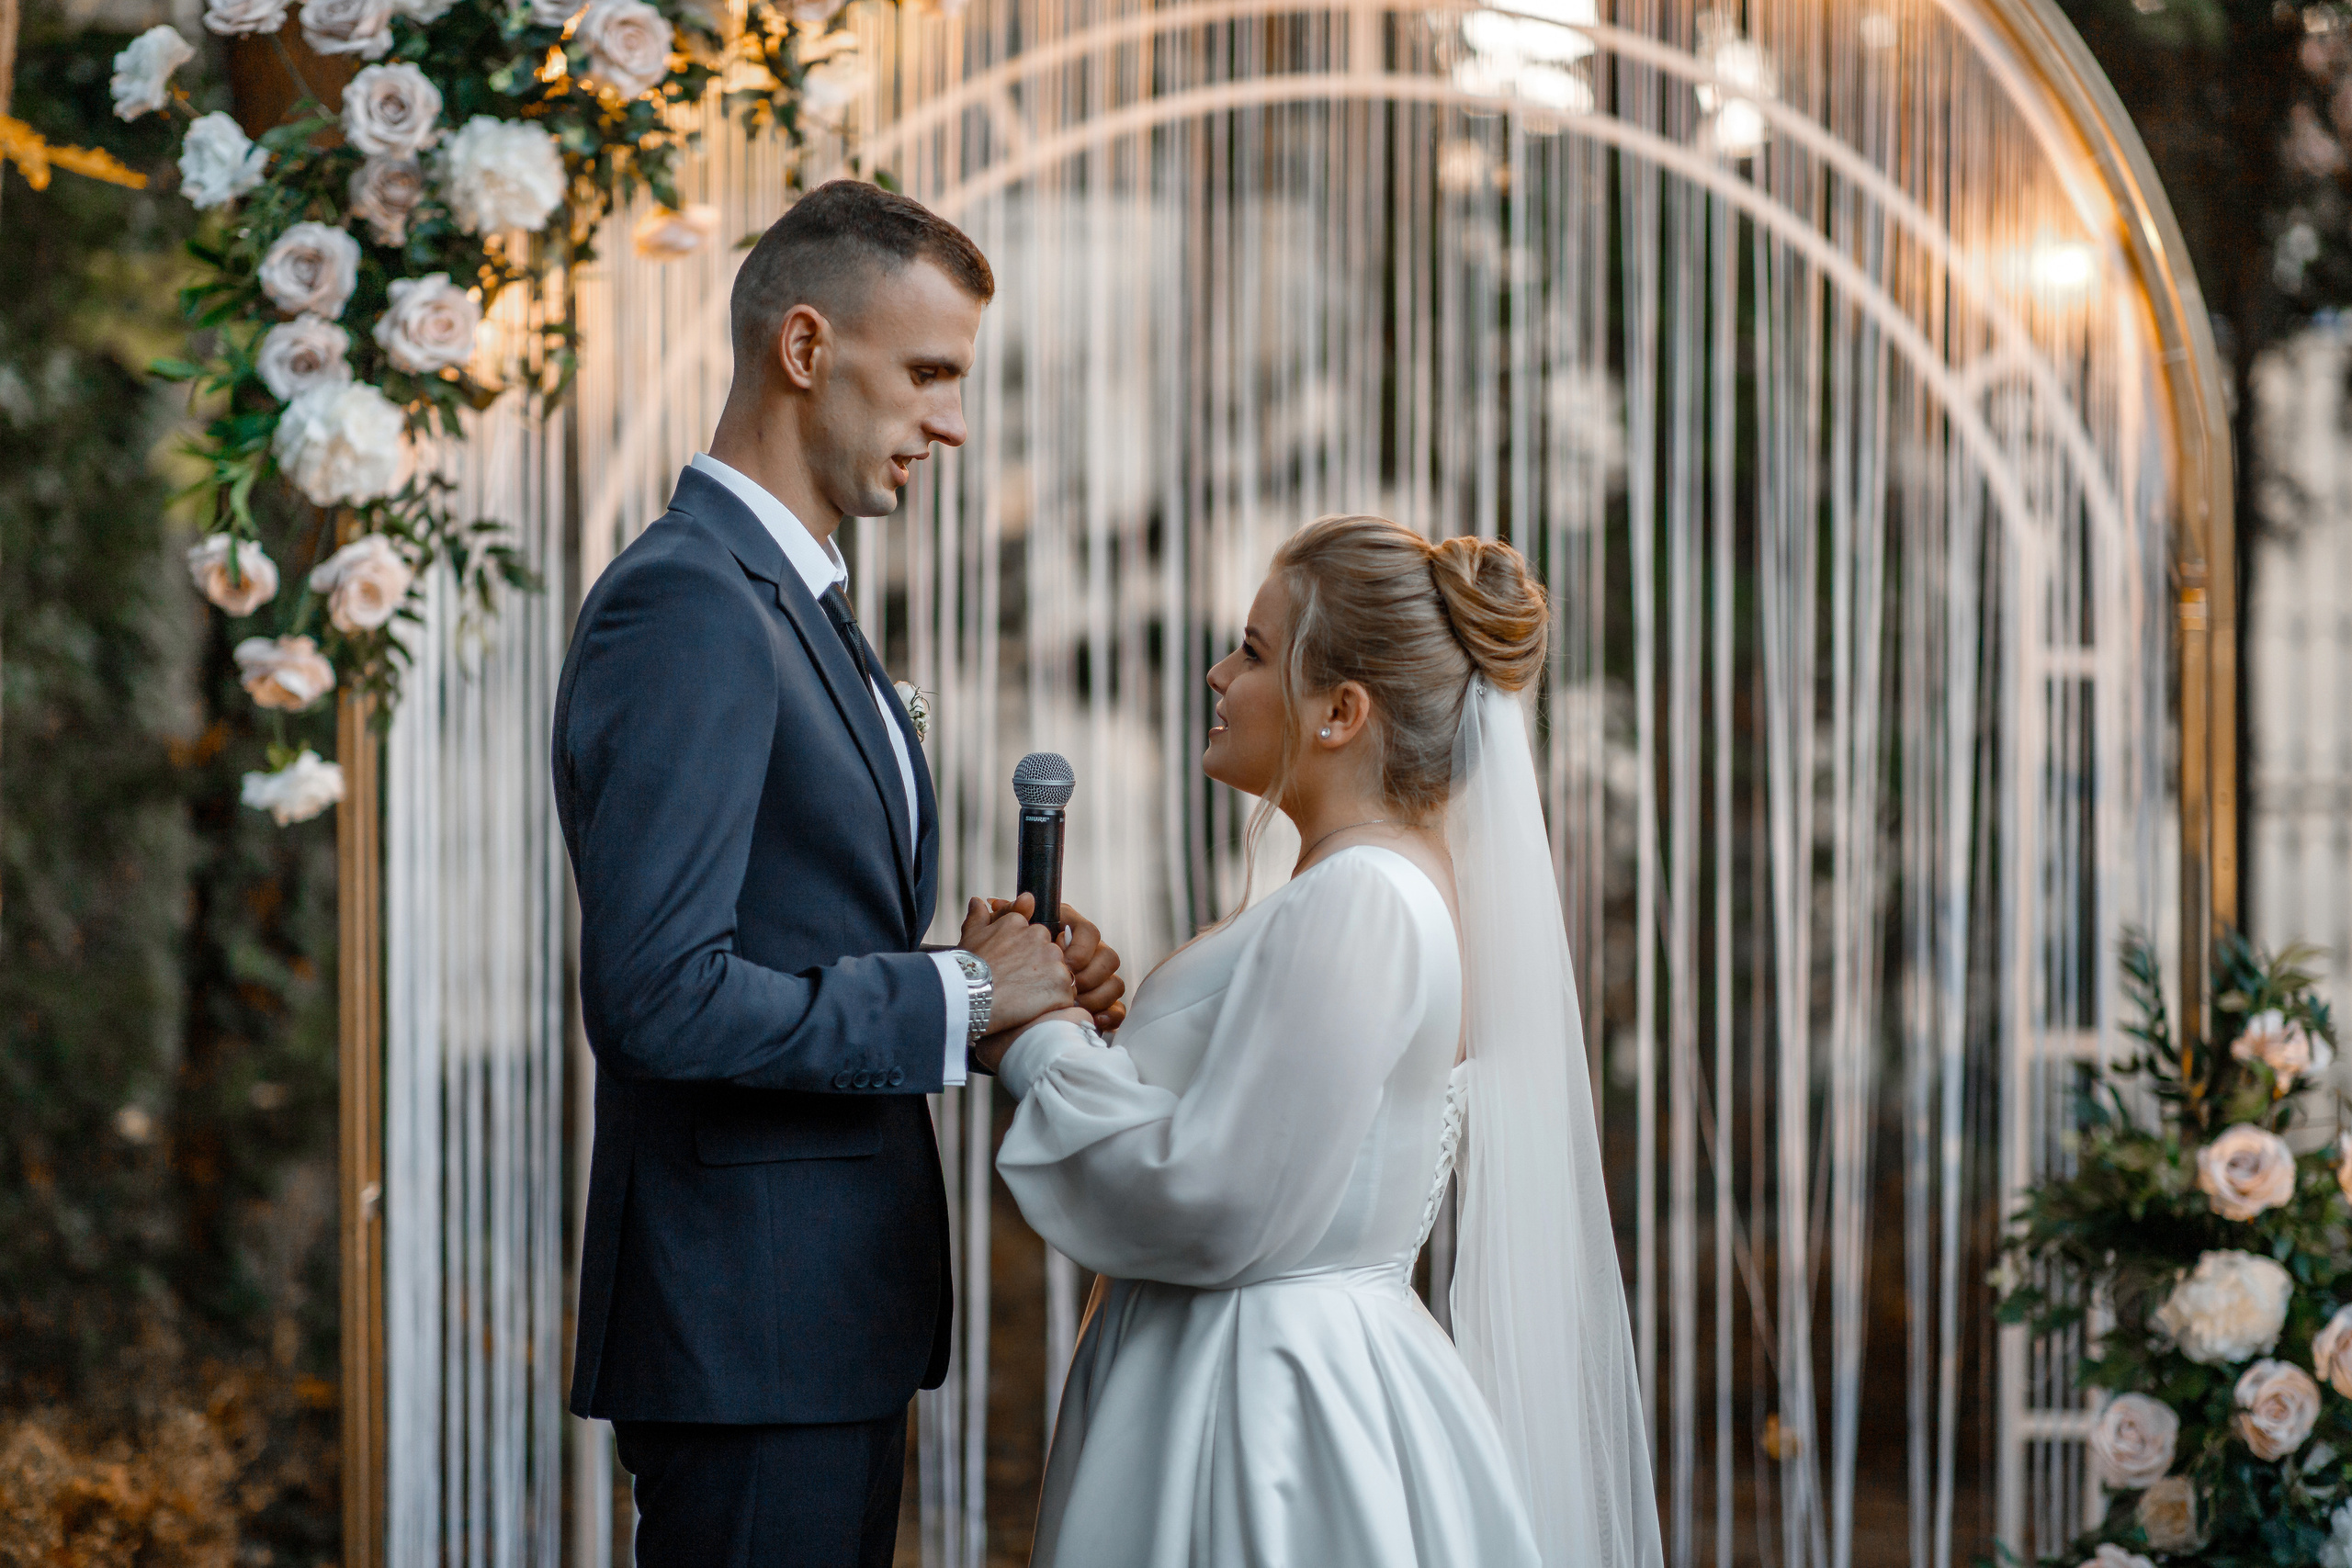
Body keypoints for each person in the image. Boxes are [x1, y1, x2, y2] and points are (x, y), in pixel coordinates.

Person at [551, 180, 1125, 1568]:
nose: (955, 423)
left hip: (819, 1319)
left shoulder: (792, 599)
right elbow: (658, 996)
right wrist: (956, 992)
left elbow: (800, 926)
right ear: (804, 349)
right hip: (749, 1328)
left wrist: (1002, 981)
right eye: (927, 373)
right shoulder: (688, 600)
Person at [984, 516, 1663, 1567]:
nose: (1217, 675)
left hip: (1261, 1417)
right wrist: (1102, 1025)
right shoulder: (1374, 886)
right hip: (1276, 1372)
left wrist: (1039, 1035)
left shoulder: (1360, 899)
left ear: (1342, 711)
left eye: (1252, 653)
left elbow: (1213, 1198)